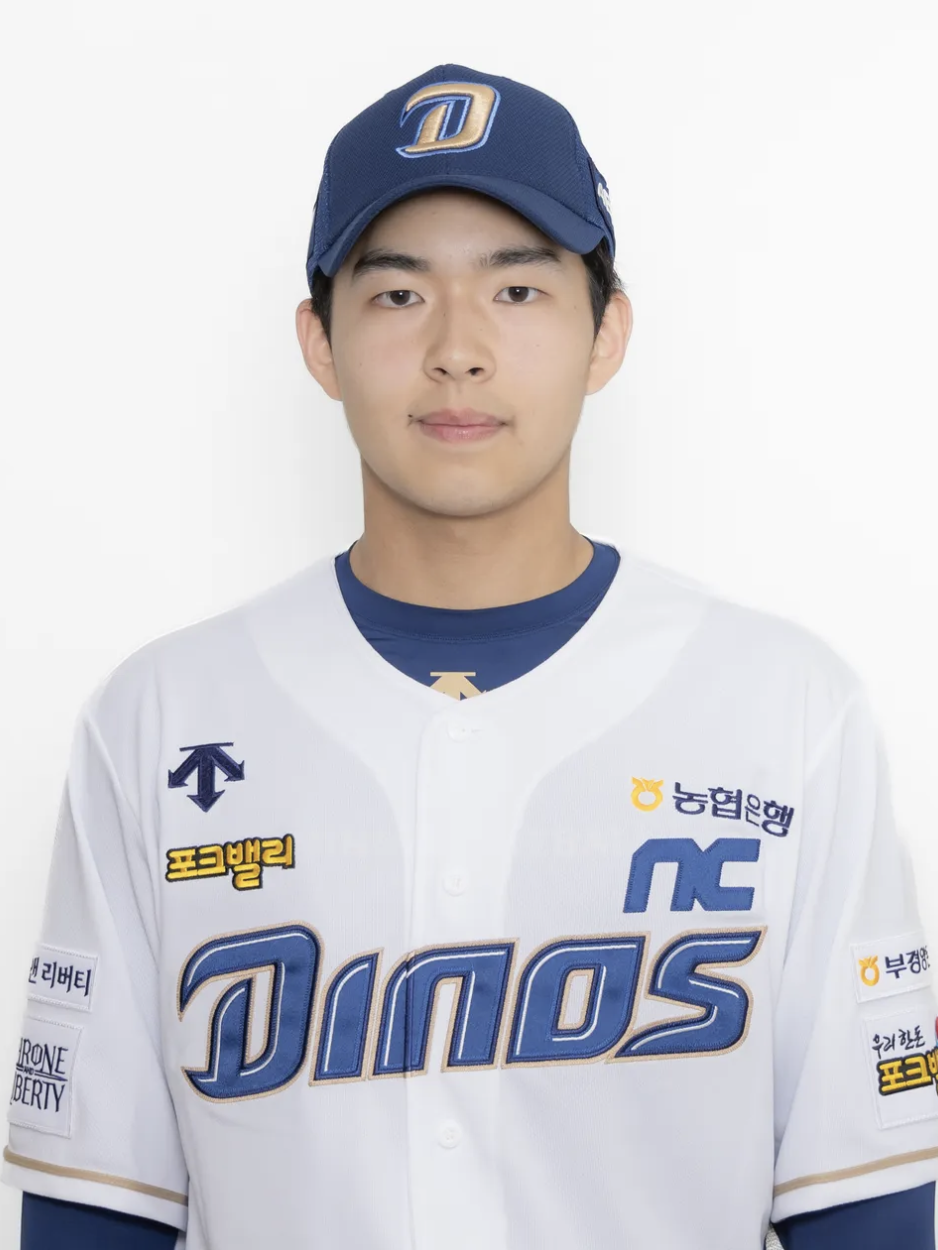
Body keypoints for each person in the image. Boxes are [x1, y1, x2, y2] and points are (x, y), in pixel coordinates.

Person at [4, 62, 937, 1250]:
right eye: (398, 293)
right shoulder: (161, 716)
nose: (457, 349)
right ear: (319, 341)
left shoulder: (784, 708)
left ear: (605, 332)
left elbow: (864, 1206)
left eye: (517, 288)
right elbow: (96, 1208)